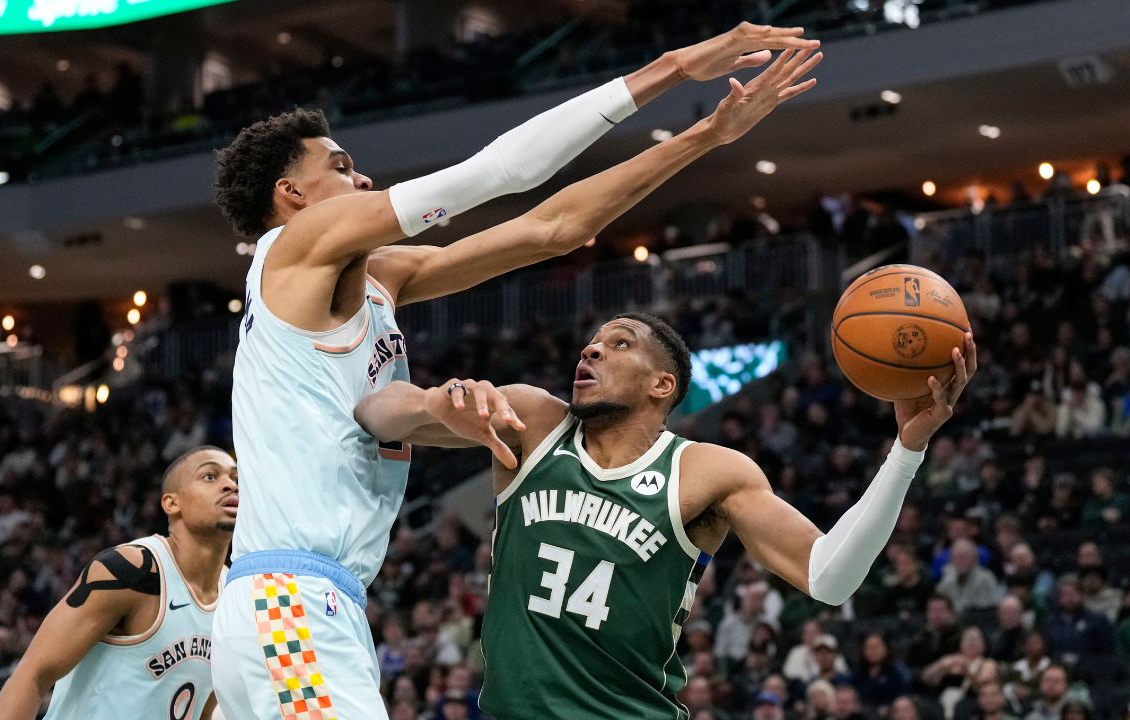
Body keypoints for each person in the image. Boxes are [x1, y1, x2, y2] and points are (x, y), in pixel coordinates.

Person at [209, 22, 823, 718]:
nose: (364, 178)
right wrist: (674, 67)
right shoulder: (294, 245)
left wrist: (706, 135)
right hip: (289, 600)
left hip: (312, 601)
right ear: (292, 194)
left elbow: (552, 230)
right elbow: (503, 172)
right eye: (343, 167)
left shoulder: (378, 278)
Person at [355, 316, 977, 718]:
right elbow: (375, 412)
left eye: (618, 344)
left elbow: (831, 576)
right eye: (591, 342)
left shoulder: (709, 471)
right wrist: (441, 401)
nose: (592, 348)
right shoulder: (530, 422)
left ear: (662, 385)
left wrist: (907, 448)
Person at [0, 447, 238, 720]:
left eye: (236, 479)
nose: (230, 485)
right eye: (210, 476)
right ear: (171, 503)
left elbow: (203, 705)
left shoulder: (234, 596)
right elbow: (33, 673)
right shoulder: (131, 570)